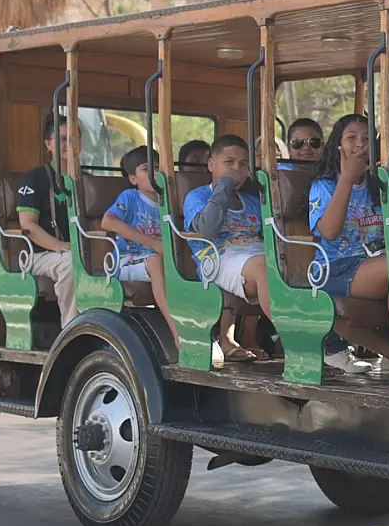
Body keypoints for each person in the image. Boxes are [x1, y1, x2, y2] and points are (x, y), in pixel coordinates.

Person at [309, 113, 389, 384]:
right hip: (334, 268)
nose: (360, 144)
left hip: (374, 262)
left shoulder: (379, 183)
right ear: (338, 146)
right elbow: (328, 232)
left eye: (367, 139)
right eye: (351, 138)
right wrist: (347, 178)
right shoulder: (325, 185)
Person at [182, 135, 272, 361]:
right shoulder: (198, 196)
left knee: (282, 264)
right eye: (229, 163)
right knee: (264, 267)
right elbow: (208, 228)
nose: (236, 170)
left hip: (252, 255)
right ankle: (297, 345)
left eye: (243, 164)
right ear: (211, 164)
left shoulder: (251, 201)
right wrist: (224, 185)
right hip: (217, 257)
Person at [101, 146, 179, 347]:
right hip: (127, 260)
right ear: (133, 179)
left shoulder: (169, 201)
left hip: (163, 259)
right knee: (155, 261)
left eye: (158, 168)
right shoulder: (130, 197)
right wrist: (153, 244)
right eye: (146, 169)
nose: (154, 173)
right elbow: (108, 222)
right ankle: (177, 332)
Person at [16, 112, 79, 328]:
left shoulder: (84, 178)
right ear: (48, 144)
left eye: (73, 139)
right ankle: (71, 330)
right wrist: (58, 245)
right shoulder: (35, 178)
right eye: (62, 139)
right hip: (38, 254)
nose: (68, 145)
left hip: (77, 250)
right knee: (70, 263)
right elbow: (28, 225)